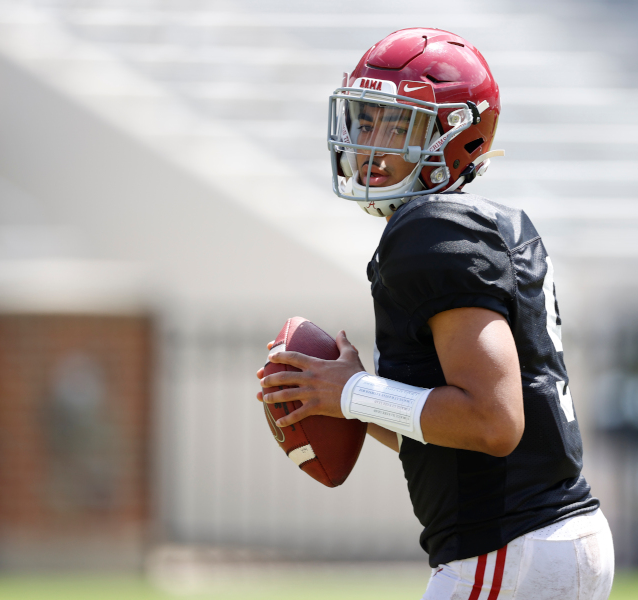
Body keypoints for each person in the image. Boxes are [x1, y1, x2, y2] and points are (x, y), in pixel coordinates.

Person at [256, 28, 615, 599]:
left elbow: (493, 424)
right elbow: (452, 438)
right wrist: (347, 399)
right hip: (535, 539)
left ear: (459, 138)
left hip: (509, 544)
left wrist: (353, 393)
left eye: (399, 125)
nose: (372, 143)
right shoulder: (476, 225)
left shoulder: (431, 231)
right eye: (367, 120)